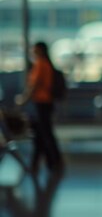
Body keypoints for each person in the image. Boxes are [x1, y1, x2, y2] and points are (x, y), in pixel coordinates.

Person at [16, 41, 64, 173]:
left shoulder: (41, 64)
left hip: (42, 102)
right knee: (42, 133)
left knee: (44, 133)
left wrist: (23, 100)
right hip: (46, 103)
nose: (33, 52)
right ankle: (47, 161)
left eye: (35, 50)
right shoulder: (46, 64)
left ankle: (53, 161)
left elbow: (34, 85)